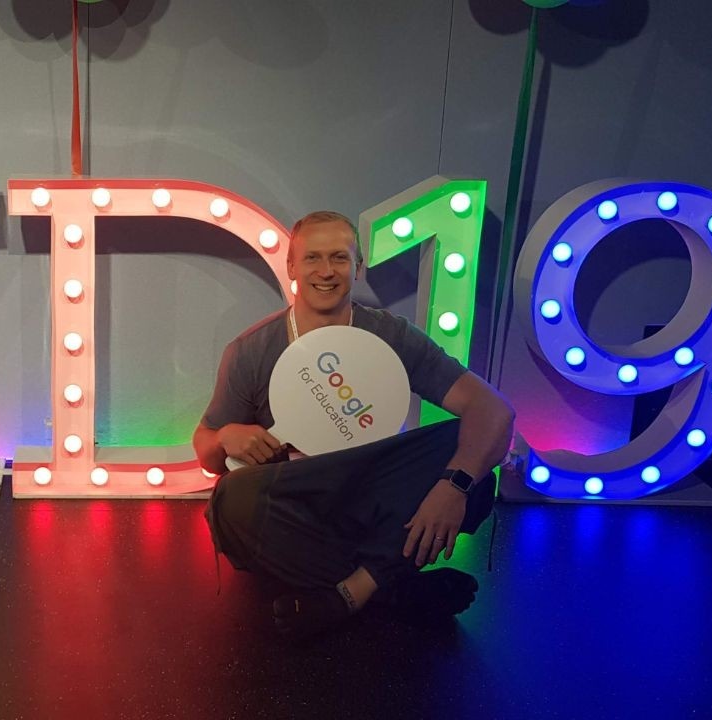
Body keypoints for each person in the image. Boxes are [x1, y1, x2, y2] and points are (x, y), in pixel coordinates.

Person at [193, 210, 515, 639]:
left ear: (358, 267)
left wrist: (452, 488)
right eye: (312, 258)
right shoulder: (251, 350)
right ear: (291, 266)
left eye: (339, 258)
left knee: (474, 460)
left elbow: (495, 412)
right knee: (231, 498)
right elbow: (206, 449)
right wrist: (224, 437)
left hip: (373, 493)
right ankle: (390, 589)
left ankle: (347, 593)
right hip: (299, 505)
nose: (326, 271)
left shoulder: (391, 335)